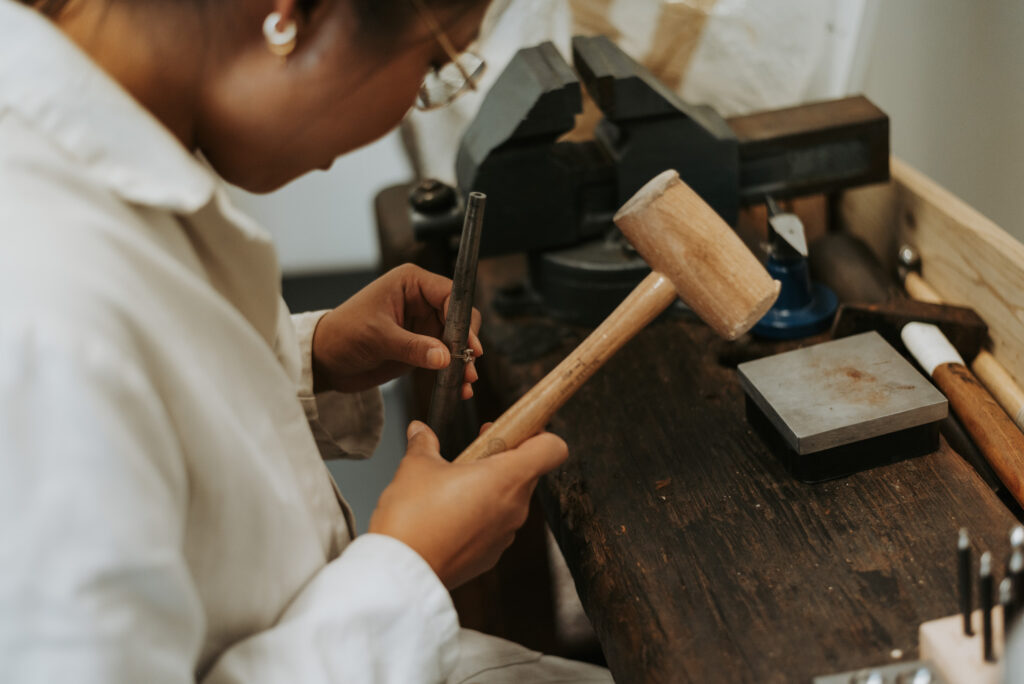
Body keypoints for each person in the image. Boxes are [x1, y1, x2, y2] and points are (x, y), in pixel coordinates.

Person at [0, 0, 612, 680]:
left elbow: (132, 404)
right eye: (434, 64)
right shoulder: (38, 303)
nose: (414, 100)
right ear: (290, 15)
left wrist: (305, 358)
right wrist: (410, 569)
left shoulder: (93, 145)